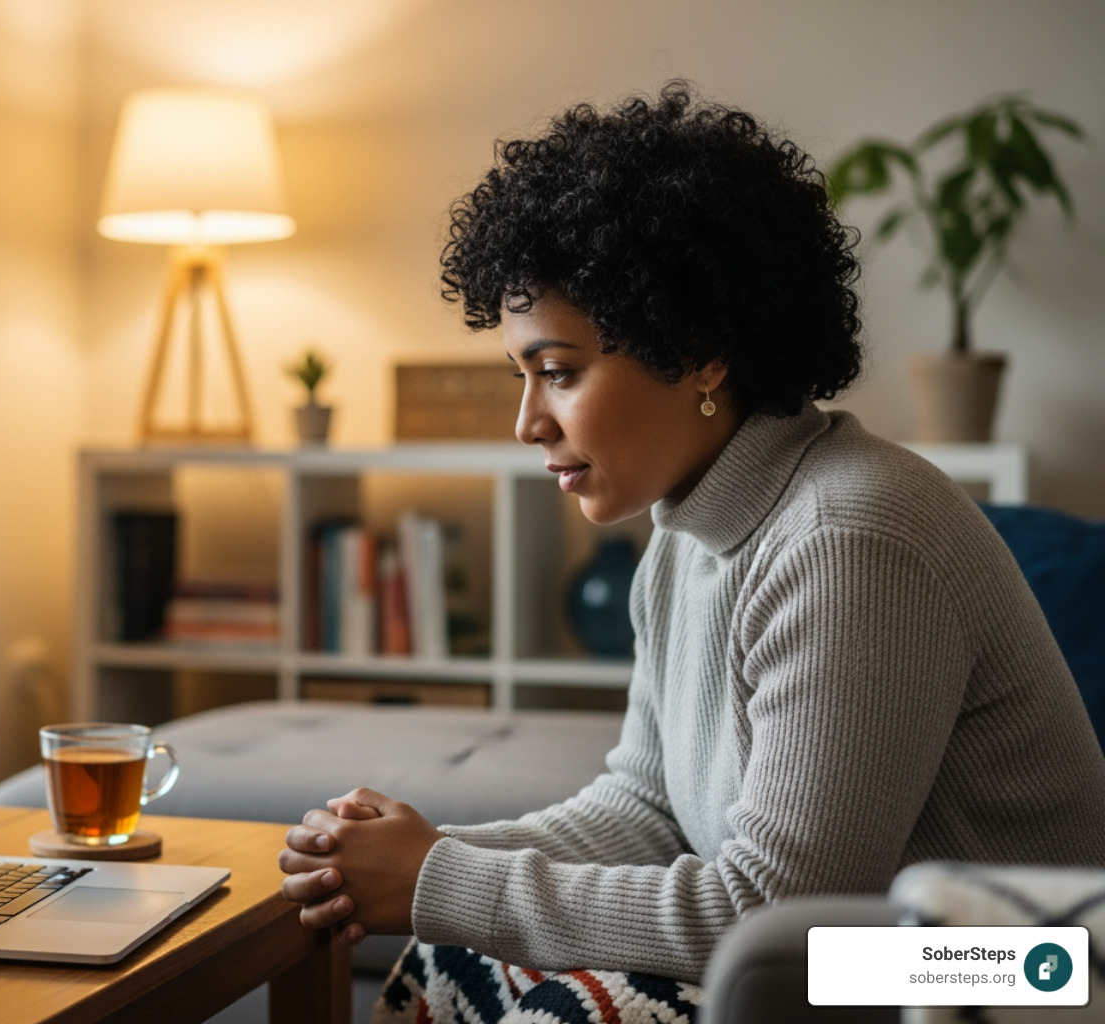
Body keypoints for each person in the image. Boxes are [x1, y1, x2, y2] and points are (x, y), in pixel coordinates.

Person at [278, 82, 1105, 1023]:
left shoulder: (849, 540)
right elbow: (647, 809)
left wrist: (444, 880)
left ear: (702, 352)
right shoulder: (686, 537)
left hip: (1012, 967)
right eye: (522, 376)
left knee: (581, 1006)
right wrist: (432, 858)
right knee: (450, 955)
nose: (527, 421)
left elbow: (774, 913)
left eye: (559, 372)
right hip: (854, 950)